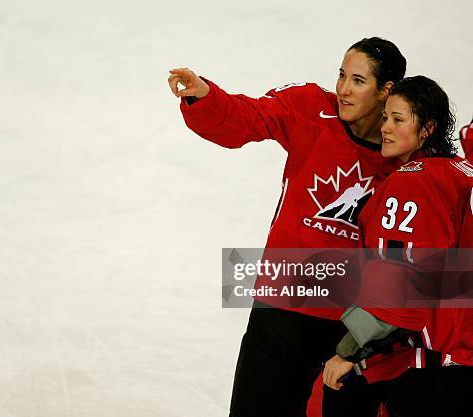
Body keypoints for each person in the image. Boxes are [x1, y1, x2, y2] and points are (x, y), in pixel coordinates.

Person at [168, 37, 406, 417]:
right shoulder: (311, 108)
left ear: (386, 90)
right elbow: (248, 116)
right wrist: (205, 96)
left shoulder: (405, 152)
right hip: (281, 306)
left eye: (358, 81)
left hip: (347, 329)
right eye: (341, 76)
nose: (343, 89)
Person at [322, 76, 473, 417]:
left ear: (427, 128)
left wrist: (348, 352)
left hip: (441, 368)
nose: (385, 127)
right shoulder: (463, 172)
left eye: (398, 119)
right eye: (385, 117)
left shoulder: (413, 180)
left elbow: (401, 288)